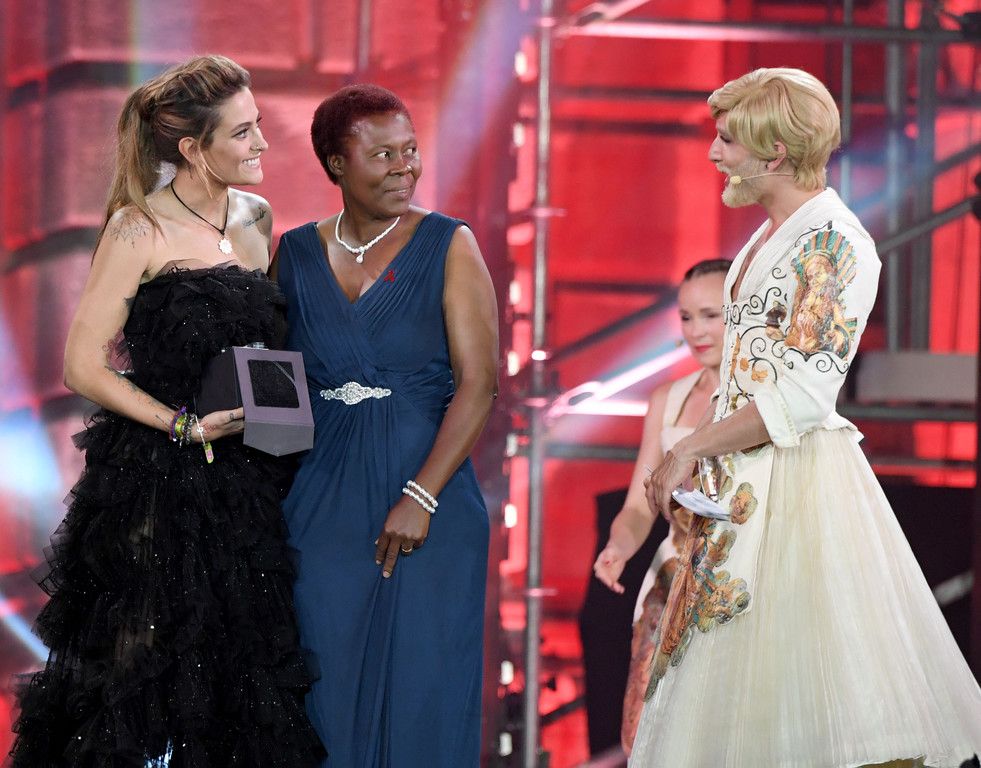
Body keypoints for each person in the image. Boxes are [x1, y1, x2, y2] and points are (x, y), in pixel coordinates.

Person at [631, 68, 981, 767]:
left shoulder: (836, 244)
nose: (714, 153)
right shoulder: (770, 237)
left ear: (774, 152)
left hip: (796, 488)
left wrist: (688, 447)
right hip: (737, 492)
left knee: (804, 691)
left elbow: (800, 395)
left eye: (728, 140)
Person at [8, 55, 324, 767]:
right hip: (158, 484)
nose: (262, 144)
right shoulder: (137, 228)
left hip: (245, 482)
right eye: (242, 133)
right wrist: (183, 425)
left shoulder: (256, 219)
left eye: (258, 125)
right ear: (193, 148)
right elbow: (82, 365)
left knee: (238, 678)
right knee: (139, 680)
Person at [272, 84, 498, 766]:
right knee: (323, 693)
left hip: (429, 502)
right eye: (382, 155)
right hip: (320, 506)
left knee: (423, 692)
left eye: (410, 150)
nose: (405, 168)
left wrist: (421, 496)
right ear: (335, 164)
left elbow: (480, 384)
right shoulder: (293, 254)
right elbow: (276, 388)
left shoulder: (449, 243)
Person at [591, 258, 730, 754]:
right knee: (652, 733)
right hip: (672, 579)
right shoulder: (667, 399)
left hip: (741, 575)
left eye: (710, 315)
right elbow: (639, 506)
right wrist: (619, 547)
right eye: (686, 317)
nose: (696, 331)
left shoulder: (762, 398)